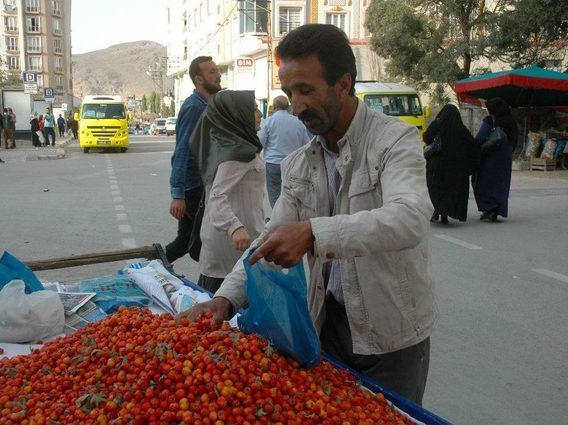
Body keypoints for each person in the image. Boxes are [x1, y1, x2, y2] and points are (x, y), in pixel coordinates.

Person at [179, 24, 436, 405]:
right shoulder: (300, 162)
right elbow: (269, 237)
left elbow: (409, 217)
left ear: (344, 84)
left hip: (390, 337)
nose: (296, 105)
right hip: (324, 326)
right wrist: (226, 299)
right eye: (289, 93)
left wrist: (314, 233)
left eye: (306, 90)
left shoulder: (394, 141)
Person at [190, 90, 265, 293]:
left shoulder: (226, 146)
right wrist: (235, 227)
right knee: (224, 309)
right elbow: (216, 196)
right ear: (237, 115)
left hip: (226, 241)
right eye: (254, 109)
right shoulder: (238, 153)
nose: (259, 114)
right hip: (234, 244)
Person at [166, 56, 222, 263]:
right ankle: (147, 269)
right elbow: (182, 151)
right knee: (187, 242)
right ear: (199, 79)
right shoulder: (195, 108)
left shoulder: (208, 104)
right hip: (193, 187)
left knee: (197, 241)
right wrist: (178, 194)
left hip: (203, 184)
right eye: (212, 72)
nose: (218, 75)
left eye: (217, 70)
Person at [423, 104, 480, 224]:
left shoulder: (438, 125)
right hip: (456, 168)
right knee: (451, 191)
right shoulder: (462, 130)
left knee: (436, 189)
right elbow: (473, 146)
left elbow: (427, 138)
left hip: (437, 165)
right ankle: (445, 213)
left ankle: (437, 211)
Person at [258, 95, 311, 207]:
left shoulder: (268, 122)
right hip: (293, 164)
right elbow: (307, 144)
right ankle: (290, 219)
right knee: (292, 194)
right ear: (288, 107)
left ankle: (277, 220)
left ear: (274, 107)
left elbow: (260, 143)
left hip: (273, 164)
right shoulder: (299, 122)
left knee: (275, 193)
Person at [472, 97, 518, 222]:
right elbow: (515, 141)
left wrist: (474, 148)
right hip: (505, 156)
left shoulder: (490, 120)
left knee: (483, 180)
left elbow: (480, 137)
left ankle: (489, 208)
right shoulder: (511, 121)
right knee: (501, 183)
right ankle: (498, 210)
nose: (488, 111)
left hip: (490, 156)